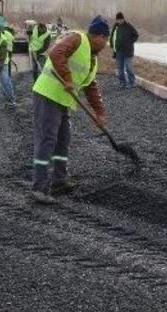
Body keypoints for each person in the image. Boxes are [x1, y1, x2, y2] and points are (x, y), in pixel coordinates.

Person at [29, 15, 109, 205]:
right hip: (48, 94)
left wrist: (99, 112)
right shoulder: (77, 39)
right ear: (98, 36)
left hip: (63, 100)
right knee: (47, 140)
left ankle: (59, 179)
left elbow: (91, 86)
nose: (106, 44)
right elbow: (56, 53)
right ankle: (39, 188)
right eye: (105, 39)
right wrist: (67, 78)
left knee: (63, 140)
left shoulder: (92, 58)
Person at [109, 12, 139, 88]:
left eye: (121, 19)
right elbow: (112, 37)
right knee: (120, 69)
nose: (119, 21)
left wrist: (130, 42)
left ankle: (132, 82)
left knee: (128, 67)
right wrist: (112, 45)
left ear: (123, 19)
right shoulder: (115, 27)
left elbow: (136, 35)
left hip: (128, 51)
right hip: (118, 51)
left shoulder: (128, 26)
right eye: (118, 20)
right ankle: (122, 83)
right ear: (116, 20)